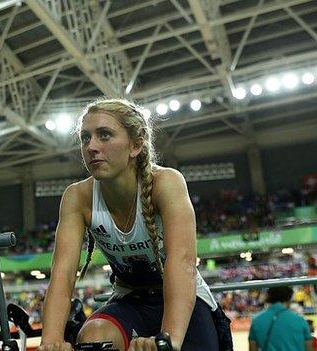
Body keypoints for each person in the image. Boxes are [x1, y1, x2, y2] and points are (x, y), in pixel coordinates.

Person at [38, 98, 226, 351]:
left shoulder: (166, 183)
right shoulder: (77, 196)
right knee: (94, 338)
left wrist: (169, 339)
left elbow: (182, 263)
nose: (91, 146)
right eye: (85, 138)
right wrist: (50, 341)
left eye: (104, 135)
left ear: (135, 145)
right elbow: (63, 274)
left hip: (182, 300)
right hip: (130, 300)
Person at [249, 286, 312, 351]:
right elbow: (308, 347)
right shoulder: (300, 321)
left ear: (269, 297)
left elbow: (253, 348)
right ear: (289, 298)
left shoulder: (257, 321)